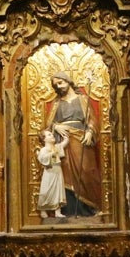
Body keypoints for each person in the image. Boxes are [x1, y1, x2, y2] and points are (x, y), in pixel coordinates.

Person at [42, 71, 101, 218]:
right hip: (63, 141)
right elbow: (46, 127)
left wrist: (90, 131)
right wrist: (56, 126)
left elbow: (92, 119)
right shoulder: (57, 104)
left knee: (86, 170)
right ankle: (68, 210)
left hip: (81, 140)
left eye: (60, 83)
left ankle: (90, 208)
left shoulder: (82, 100)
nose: (59, 87)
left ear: (68, 81)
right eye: (56, 85)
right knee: (65, 174)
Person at [36, 130, 67, 219]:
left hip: (57, 170)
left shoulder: (56, 147)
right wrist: (51, 154)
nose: (52, 135)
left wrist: (66, 139)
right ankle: (43, 210)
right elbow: (42, 158)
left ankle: (57, 211)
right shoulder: (44, 150)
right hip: (49, 172)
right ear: (44, 139)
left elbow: (62, 145)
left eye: (52, 134)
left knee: (58, 190)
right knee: (46, 191)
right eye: (49, 135)